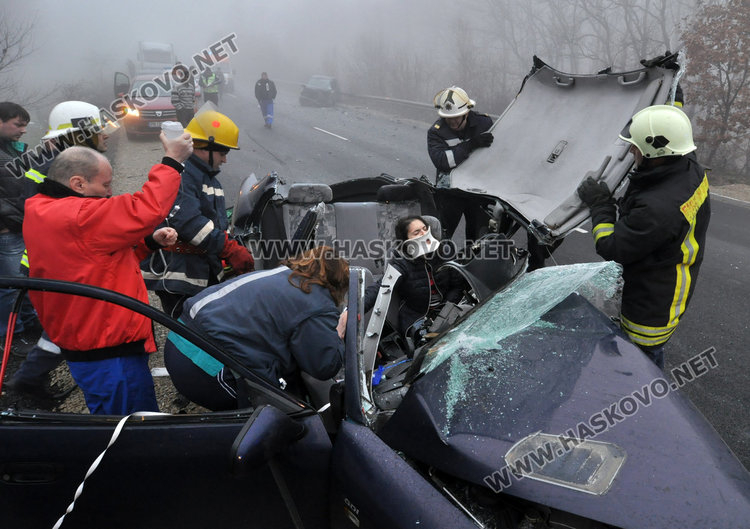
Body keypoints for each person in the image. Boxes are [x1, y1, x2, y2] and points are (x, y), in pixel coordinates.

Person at [23, 133, 193, 415]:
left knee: (115, 418)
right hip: (108, 347)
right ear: (78, 183)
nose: (109, 192)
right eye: (105, 185)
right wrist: (172, 161)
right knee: (127, 427)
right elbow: (145, 209)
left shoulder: (43, 209)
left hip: (89, 341)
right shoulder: (79, 215)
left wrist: (149, 243)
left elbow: (97, 262)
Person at [577, 105, 710, 369]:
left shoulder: (658, 208)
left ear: (656, 152)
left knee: (637, 369)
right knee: (643, 363)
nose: (631, 151)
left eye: (636, 147)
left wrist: (600, 205)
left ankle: (646, 405)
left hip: (648, 309)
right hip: (669, 282)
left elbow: (611, 245)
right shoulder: (688, 168)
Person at [6, 101, 118, 400]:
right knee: (67, 325)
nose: (105, 136)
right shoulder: (56, 168)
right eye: (97, 131)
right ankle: (28, 380)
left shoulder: (59, 161)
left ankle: (30, 379)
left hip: (50, 260)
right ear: (79, 134)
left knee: (61, 326)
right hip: (56, 263)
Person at [163, 246, 349, 411]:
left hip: (177, 341)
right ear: (338, 283)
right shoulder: (315, 301)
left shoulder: (278, 275)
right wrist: (339, 331)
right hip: (205, 367)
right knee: (282, 416)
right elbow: (324, 366)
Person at [141, 109, 254, 318]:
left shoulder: (207, 178)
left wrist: (228, 246)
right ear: (205, 148)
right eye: (223, 153)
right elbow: (188, 221)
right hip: (180, 276)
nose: (225, 160)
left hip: (197, 270)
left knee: (204, 328)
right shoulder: (182, 174)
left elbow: (215, 223)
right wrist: (229, 249)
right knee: (189, 332)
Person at [364, 216, 466, 339]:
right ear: (406, 240)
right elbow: (381, 286)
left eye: (425, 229)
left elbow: (459, 285)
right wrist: (353, 310)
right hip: (417, 318)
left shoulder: (444, 251)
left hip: (448, 309)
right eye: (417, 232)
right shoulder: (401, 262)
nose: (424, 234)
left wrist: (447, 309)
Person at [427, 86, 494, 242]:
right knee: (441, 238)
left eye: (457, 117)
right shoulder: (436, 132)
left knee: (478, 240)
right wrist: (471, 145)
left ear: (467, 112)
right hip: (450, 191)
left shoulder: (484, 123)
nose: (452, 121)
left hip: (478, 190)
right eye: (448, 117)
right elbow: (442, 161)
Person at [0, 102, 39, 344]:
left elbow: (29, 178)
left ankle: (30, 324)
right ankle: (12, 336)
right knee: (10, 286)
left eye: (25, 125)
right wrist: (7, 221)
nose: (23, 130)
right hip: (7, 229)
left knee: (24, 281)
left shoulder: (12, 149)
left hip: (18, 225)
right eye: (18, 124)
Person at [170, 63, 196, 127]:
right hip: (182, 112)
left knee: (191, 128)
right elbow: (174, 101)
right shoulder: (177, 87)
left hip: (190, 112)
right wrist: (181, 109)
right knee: (184, 128)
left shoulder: (191, 87)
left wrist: (191, 108)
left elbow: (193, 99)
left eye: (188, 76)